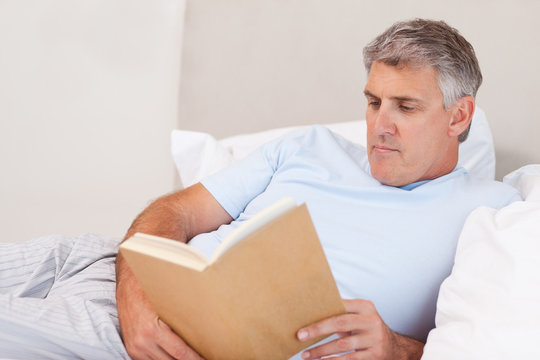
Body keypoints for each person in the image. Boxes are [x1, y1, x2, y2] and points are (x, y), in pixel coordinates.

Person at [115, 18, 520, 360]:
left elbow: (489, 341)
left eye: (406, 107)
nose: (380, 125)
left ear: (459, 116)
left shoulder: (495, 212)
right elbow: (175, 212)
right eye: (374, 102)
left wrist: (397, 349)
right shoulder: (306, 147)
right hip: (136, 313)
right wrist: (135, 301)